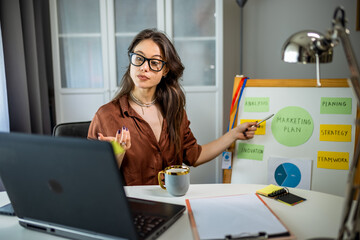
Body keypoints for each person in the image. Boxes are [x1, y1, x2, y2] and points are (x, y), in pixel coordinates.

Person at [88, 28, 257, 186]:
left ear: (165, 70)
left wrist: (234, 134)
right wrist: (116, 153)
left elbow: (195, 156)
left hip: (172, 203)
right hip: (132, 209)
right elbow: (94, 181)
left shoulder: (174, 110)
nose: (144, 67)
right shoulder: (106, 116)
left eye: (154, 62)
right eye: (139, 58)